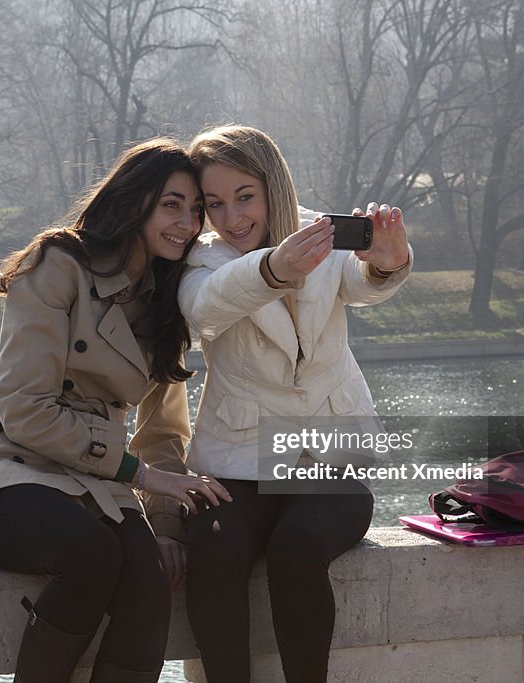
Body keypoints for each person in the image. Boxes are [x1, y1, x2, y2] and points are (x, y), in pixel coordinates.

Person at [0, 138, 231, 683]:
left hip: (96, 484)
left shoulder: (168, 303)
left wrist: (166, 528)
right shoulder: (59, 263)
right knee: (93, 555)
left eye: (196, 210)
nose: (187, 223)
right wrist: (137, 475)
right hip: (4, 472)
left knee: (148, 583)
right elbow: (25, 409)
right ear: (135, 199)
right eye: (171, 205)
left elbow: (162, 431)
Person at [175, 125, 413, 682]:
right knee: (212, 548)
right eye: (215, 204)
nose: (232, 219)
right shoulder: (202, 260)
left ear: (273, 185)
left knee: (299, 547)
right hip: (236, 463)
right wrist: (270, 271)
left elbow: (363, 282)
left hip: (333, 460)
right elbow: (201, 310)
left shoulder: (320, 234)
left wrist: (388, 261)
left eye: (245, 197)